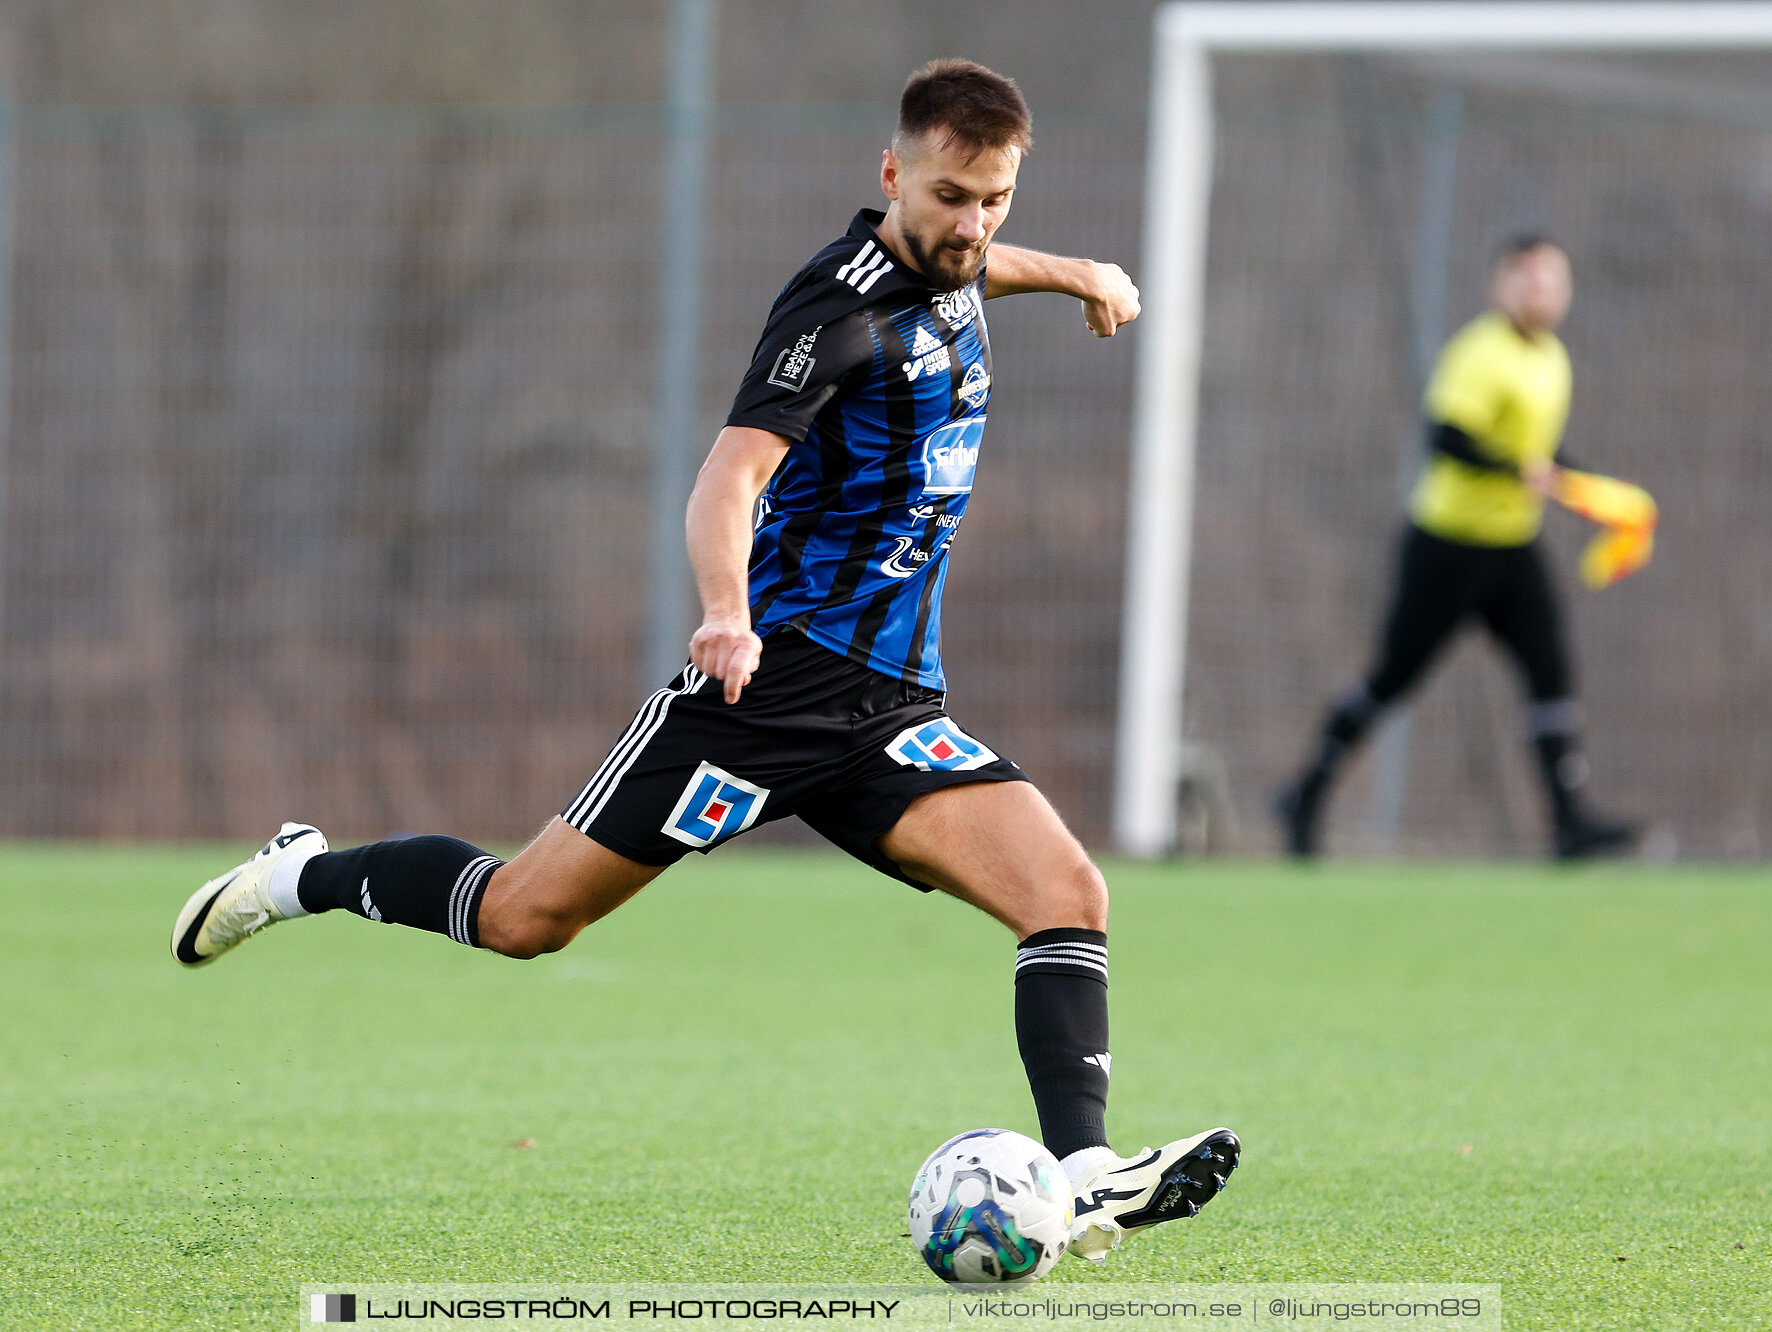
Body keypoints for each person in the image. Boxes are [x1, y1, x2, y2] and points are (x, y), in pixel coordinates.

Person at [170, 59, 1238, 1263]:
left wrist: (1079, 273)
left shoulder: (958, 260)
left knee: (1067, 896)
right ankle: (303, 874)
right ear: (891, 176)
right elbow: (728, 478)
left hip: (887, 709)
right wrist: (725, 612)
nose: (974, 225)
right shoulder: (830, 316)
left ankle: (1087, 1169)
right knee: (525, 918)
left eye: (995, 199)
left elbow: (979, 270)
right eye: (950, 197)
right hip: (759, 692)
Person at [1275, 235, 1638, 861]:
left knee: (1550, 670)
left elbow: (1539, 456)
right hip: (1448, 548)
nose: (1541, 292)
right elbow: (1447, 438)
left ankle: (1570, 821)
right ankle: (1304, 794)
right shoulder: (1481, 353)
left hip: (1512, 546)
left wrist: (1596, 496)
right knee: (1392, 678)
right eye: (1527, 280)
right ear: (1501, 286)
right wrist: (1518, 472)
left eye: (1553, 280)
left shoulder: (1552, 357)